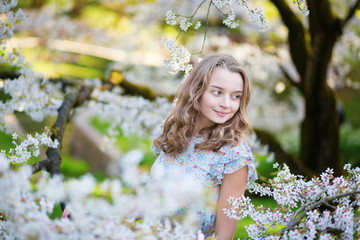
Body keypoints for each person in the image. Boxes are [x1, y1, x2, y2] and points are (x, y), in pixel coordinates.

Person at [150, 54, 257, 239]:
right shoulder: (173, 131)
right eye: (217, 92)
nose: (226, 104)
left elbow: (224, 237)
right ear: (196, 90)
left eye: (236, 96)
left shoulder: (234, 154)